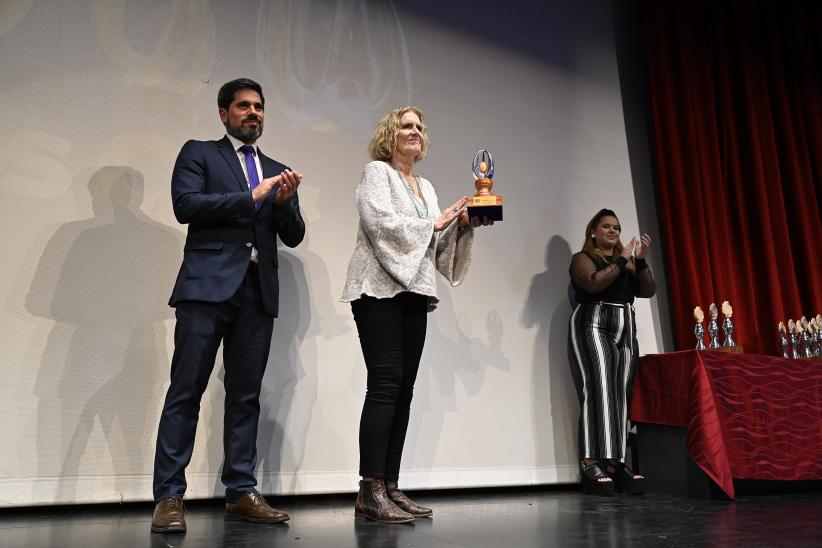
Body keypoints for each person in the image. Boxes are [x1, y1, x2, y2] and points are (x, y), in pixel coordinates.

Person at [151, 78, 305, 533]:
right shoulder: (199, 153)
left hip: (256, 294)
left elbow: (293, 235)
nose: (253, 113)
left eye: (259, 107)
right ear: (224, 114)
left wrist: (286, 202)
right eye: (243, 106)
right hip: (206, 289)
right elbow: (186, 205)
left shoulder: (277, 168)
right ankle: (169, 497)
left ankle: (239, 491)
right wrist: (252, 196)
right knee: (186, 392)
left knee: (245, 396)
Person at [341, 106, 491, 523]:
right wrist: (434, 224)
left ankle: (389, 484)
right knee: (385, 384)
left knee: (403, 389)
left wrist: (463, 225)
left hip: (413, 291)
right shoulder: (377, 173)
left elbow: (436, 249)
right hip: (378, 289)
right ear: (390, 134)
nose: (416, 132)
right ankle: (369, 488)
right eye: (407, 126)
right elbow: (379, 223)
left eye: (420, 127)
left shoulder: (424, 186)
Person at [567, 208, 656, 496]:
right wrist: (621, 259)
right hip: (595, 322)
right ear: (593, 231)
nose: (613, 231)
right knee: (599, 389)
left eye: (616, 227)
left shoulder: (628, 263)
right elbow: (593, 283)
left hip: (625, 325)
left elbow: (648, 291)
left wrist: (640, 262)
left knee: (621, 393)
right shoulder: (583, 258)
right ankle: (591, 462)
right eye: (606, 226)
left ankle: (616, 464)